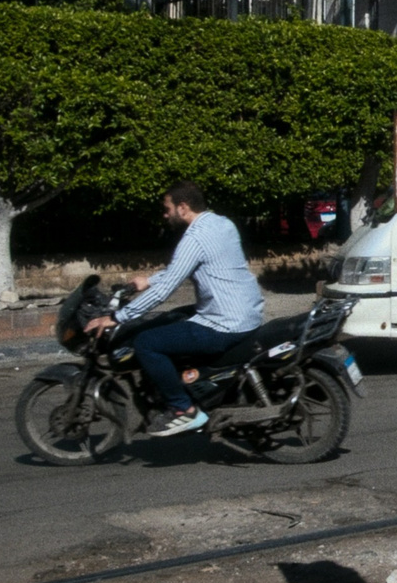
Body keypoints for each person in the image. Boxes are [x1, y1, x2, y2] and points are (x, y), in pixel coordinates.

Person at [88, 182, 266, 439]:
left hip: (225, 322)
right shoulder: (221, 224)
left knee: (147, 342)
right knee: (173, 318)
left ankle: (184, 409)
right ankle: (195, 385)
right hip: (245, 312)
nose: (165, 214)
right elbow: (180, 270)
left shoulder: (194, 238)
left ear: (182, 208)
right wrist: (149, 280)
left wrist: (117, 317)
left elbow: (164, 292)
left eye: (167, 208)